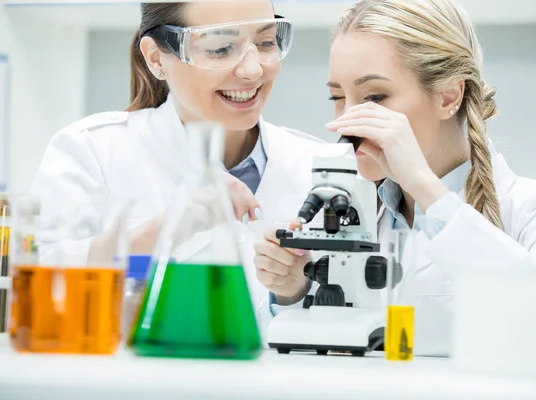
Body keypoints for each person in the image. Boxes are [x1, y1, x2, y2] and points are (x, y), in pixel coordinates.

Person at [254, 0, 536, 356]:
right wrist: (291, 292)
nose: (345, 123)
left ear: (449, 96)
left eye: (374, 97)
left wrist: (425, 187)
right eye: (338, 98)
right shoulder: (348, 219)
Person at [29, 0, 327, 310]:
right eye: (221, 48)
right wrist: (164, 229)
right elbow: (36, 295)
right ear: (156, 58)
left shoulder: (320, 166)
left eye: (266, 42)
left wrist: (293, 293)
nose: (253, 71)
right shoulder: (91, 151)